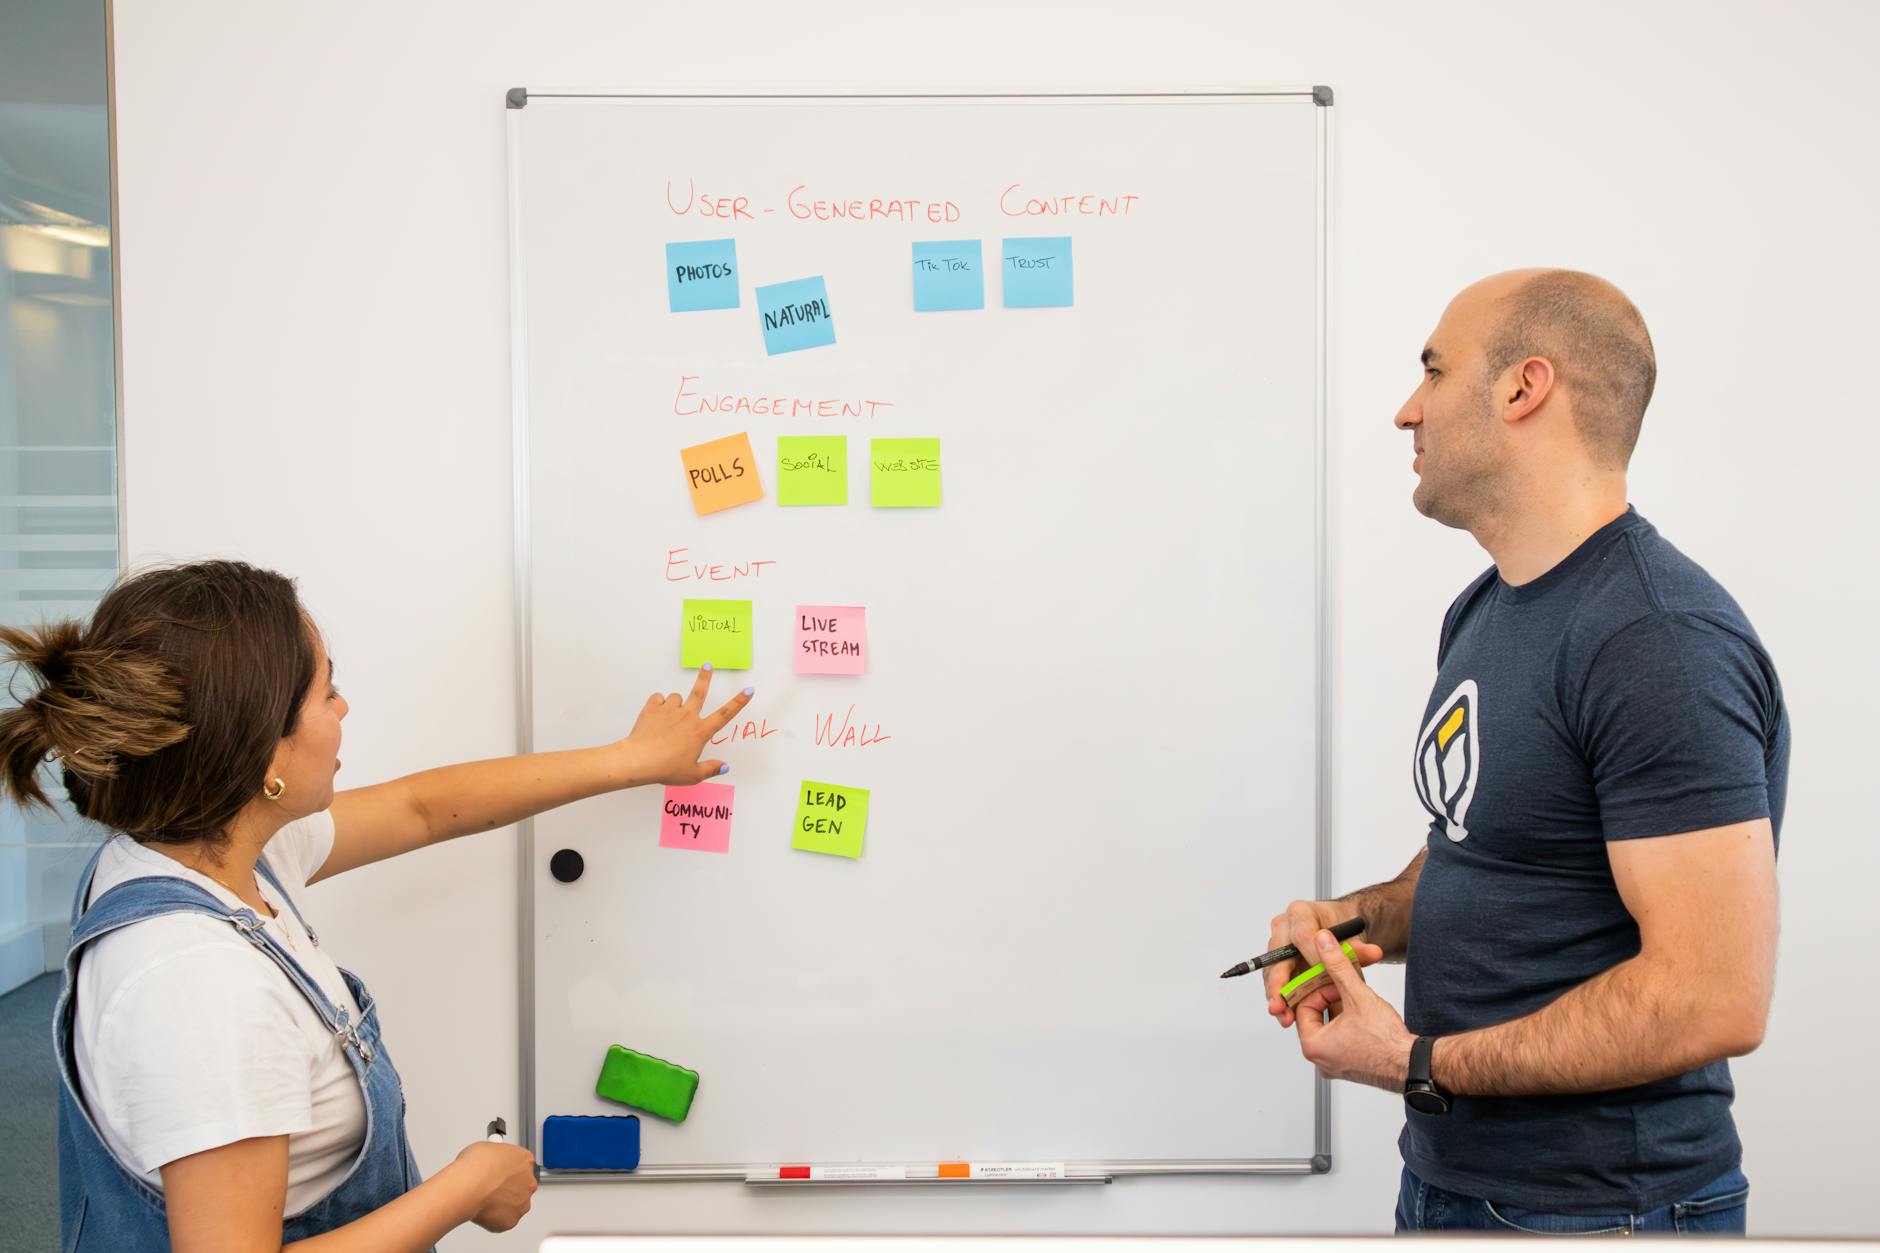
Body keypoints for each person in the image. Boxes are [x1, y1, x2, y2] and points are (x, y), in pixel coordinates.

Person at [0, 559, 753, 1251]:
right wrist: (462, 1190)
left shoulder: (199, 853)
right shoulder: (202, 988)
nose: (344, 705)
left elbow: (421, 808)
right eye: (325, 690)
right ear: (264, 755)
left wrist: (629, 761)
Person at [1262, 270, 1786, 1236]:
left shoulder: (1655, 639)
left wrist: (1415, 1062)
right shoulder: (1487, 608)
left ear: (1522, 387)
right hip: (1453, 1184)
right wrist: (1350, 920)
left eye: (1433, 371)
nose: (1407, 409)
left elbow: (1711, 998)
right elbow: (1485, 848)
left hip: (1604, 1212)